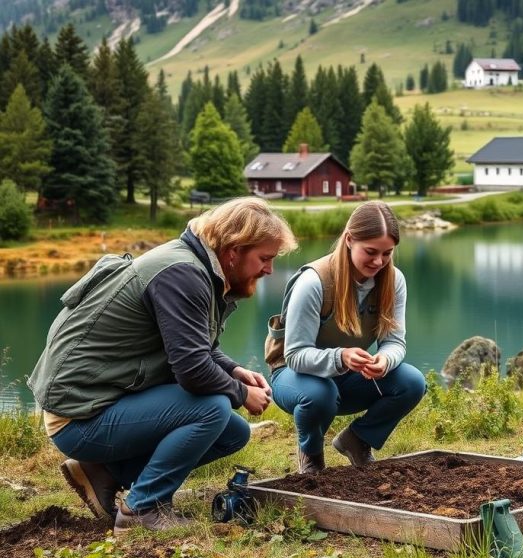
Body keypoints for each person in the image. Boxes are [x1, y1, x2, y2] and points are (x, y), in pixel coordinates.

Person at [29, 197, 297, 532]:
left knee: (233, 433)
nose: (269, 269)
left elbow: (195, 347)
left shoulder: (194, 266)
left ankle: (101, 474)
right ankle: (142, 510)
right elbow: (192, 370)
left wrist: (232, 370)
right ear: (234, 250)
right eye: (265, 258)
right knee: (213, 407)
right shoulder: (182, 275)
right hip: (80, 417)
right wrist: (240, 392)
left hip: (102, 403)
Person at [268, 200, 425, 474]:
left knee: (411, 382)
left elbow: (394, 342)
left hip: (348, 376)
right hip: (294, 377)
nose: (379, 261)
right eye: (371, 252)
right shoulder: (313, 282)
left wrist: (385, 360)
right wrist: (340, 356)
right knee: (320, 394)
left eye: (387, 253)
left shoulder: (394, 280)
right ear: (350, 240)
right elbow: (294, 355)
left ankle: (357, 440)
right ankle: (311, 454)